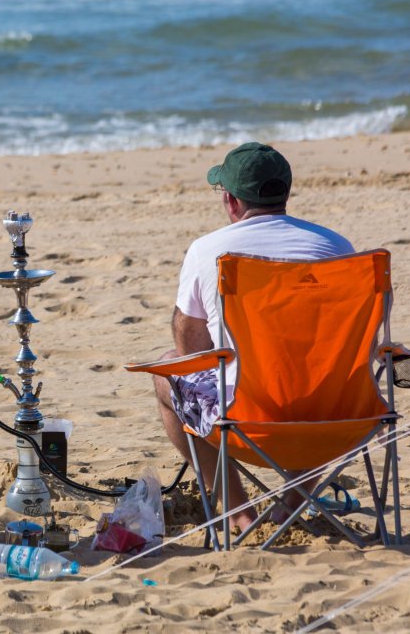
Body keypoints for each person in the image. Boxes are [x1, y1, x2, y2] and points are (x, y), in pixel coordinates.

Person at [153, 142, 354, 531]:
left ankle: (239, 513)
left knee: (166, 372)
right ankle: (289, 507)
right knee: (325, 377)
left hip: (245, 421)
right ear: (286, 192)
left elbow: (190, 349)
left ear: (230, 200)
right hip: (334, 416)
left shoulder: (207, 250)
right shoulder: (337, 248)